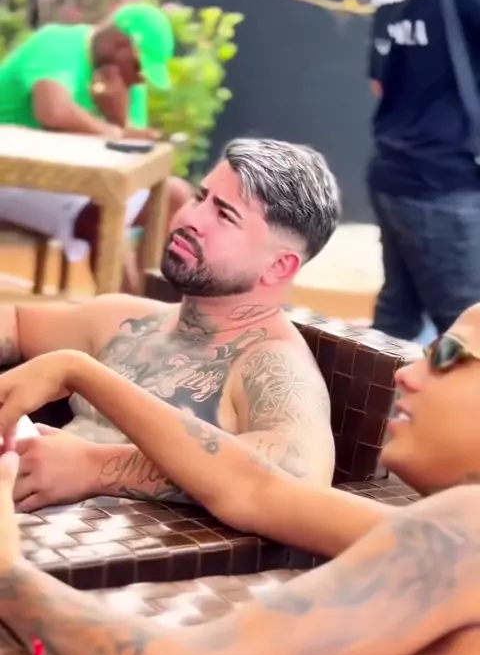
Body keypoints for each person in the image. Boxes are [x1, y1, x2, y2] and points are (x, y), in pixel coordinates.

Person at [0, 309, 480, 655]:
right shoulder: (453, 538)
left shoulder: (461, 530)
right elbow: (254, 490)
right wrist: (81, 372)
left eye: (449, 354)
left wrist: (9, 573)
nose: (407, 372)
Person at [0, 137, 340, 514]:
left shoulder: (270, 364)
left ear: (278, 266)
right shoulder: (124, 320)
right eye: (200, 198)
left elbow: (298, 477)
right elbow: (15, 323)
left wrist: (95, 467)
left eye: (225, 216)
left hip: (108, 546)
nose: (190, 219)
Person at [0, 1, 192, 293]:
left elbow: (131, 162)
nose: (139, 78)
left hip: (66, 182)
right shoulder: (58, 43)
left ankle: (151, 298)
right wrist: (116, 131)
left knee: (174, 194)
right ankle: (130, 316)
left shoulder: (128, 85)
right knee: (104, 214)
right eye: (139, 67)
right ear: (120, 45)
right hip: (11, 175)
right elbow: (52, 111)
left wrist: (118, 117)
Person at [367, 0, 480, 340]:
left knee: (396, 323)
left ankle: (367, 380)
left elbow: (379, 83)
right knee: (468, 338)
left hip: (396, 172)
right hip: (448, 184)